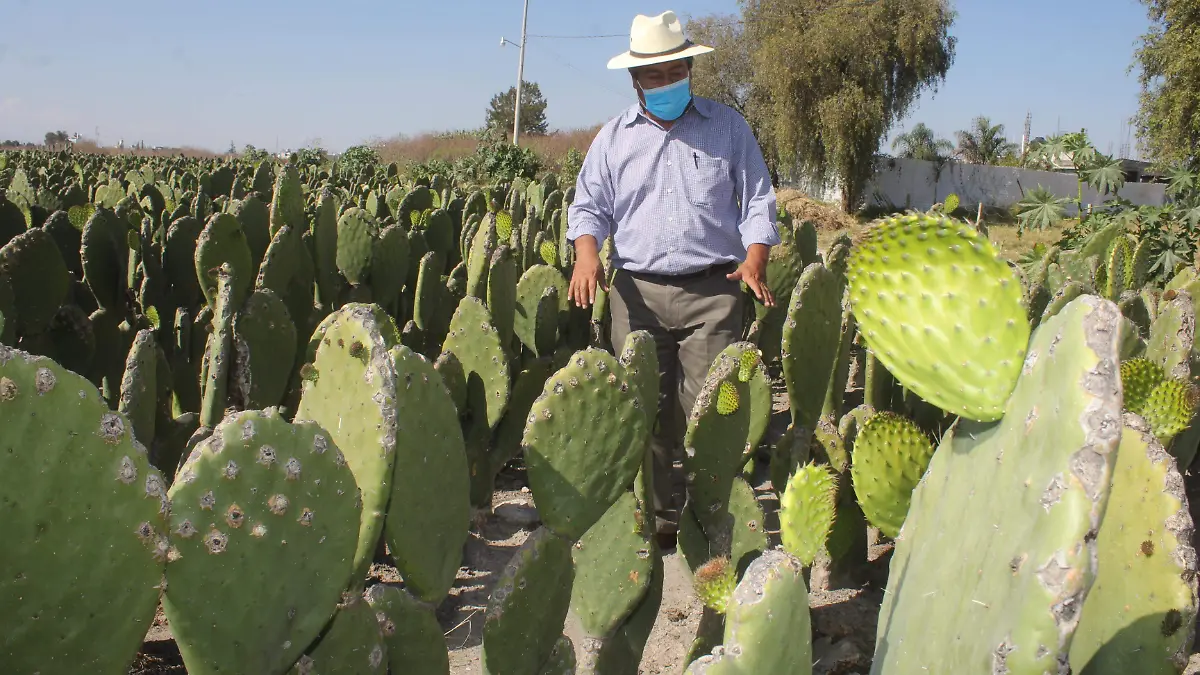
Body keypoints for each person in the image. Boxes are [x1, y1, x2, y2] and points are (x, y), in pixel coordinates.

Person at [565, 10, 779, 551]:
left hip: (713, 291)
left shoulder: (728, 128)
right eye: (653, 76)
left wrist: (755, 258)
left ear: (689, 68)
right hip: (636, 295)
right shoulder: (613, 139)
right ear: (635, 79)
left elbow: (757, 201)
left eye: (673, 72)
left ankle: (711, 520)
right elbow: (588, 207)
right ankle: (661, 519)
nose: (664, 83)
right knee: (648, 415)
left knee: (709, 412)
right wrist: (586, 255)